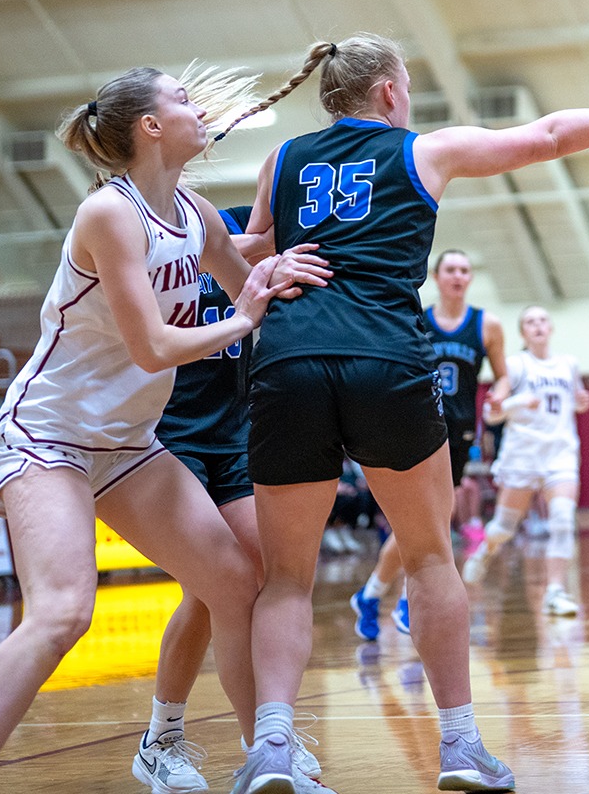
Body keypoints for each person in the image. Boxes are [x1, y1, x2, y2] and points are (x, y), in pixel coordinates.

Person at [232, 32, 589, 794]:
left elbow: (247, 245)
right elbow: (550, 135)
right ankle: (459, 745)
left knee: (286, 578)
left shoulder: (282, 159)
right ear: (390, 91)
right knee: (428, 557)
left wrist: (235, 258)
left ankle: (270, 747)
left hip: (288, 361)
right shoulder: (423, 151)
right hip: (387, 361)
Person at [0, 67, 324, 794]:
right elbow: (153, 347)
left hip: (126, 446)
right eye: (180, 99)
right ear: (149, 126)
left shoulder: (196, 212)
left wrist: (281, 266)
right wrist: (243, 318)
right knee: (62, 613)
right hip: (48, 437)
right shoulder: (109, 214)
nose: (195, 107)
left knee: (234, 585)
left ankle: (267, 764)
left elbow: (246, 274)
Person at [134, 205, 331, 794]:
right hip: (170, 434)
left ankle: (264, 740)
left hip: (235, 437)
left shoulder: (287, 259)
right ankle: (178, 739)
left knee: (261, 576)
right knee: (214, 584)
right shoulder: (193, 237)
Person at [355, 248, 506, 640]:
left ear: (470, 278)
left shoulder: (486, 325)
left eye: (465, 270)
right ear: (437, 277)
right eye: (451, 269)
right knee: (428, 521)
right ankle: (407, 600)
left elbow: (502, 378)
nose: (458, 276)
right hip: (417, 425)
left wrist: (499, 397)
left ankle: (372, 595)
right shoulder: (417, 320)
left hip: (459, 433)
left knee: (427, 523)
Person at [460, 306, 589, 618]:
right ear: (522, 333)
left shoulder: (568, 364)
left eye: (543, 320)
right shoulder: (516, 366)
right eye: (530, 322)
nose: (538, 326)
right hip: (523, 454)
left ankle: (555, 592)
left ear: (551, 327)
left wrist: (582, 402)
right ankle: (486, 550)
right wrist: (518, 401)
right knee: (504, 527)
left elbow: (576, 401)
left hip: (560, 452)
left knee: (561, 519)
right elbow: (492, 414)